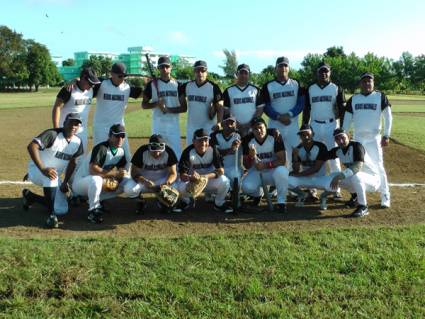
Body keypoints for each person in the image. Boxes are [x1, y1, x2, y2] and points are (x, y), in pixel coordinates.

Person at [22, 113, 84, 228]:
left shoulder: (78, 142)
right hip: (37, 170)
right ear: (65, 123)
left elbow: (73, 162)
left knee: (62, 209)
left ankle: (31, 197)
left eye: (76, 124)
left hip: (53, 175)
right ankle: (51, 216)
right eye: (71, 122)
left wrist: (65, 182)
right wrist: (42, 168)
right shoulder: (53, 134)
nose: (73, 126)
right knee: (51, 176)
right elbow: (32, 146)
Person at [342, 72, 392, 208]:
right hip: (358, 139)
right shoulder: (354, 99)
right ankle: (358, 196)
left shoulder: (380, 96)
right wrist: (344, 134)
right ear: (360, 83)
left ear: (373, 83)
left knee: (379, 166)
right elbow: (347, 119)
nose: (367, 83)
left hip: (374, 139)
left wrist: (386, 135)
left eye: (369, 81)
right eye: (364, 81)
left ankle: (385, 195)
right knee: (358, 167)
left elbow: (388, 116)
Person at [72, 124, 130, 223]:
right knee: (96, 179)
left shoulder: (120, 151)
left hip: (96, 183)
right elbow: (93, 170)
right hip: (81, 183)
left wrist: (118, 179)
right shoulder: (101, 148)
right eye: (117, 136)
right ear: (110, 136)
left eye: (122, 136)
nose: (120, 139)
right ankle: (93, 210)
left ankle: (94, 199)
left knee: (127, 183)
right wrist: (115, 174)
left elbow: (121, 169)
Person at [92, 62, 143, 166]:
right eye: (120, 76)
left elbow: (145, 93)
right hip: (101, 127)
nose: (122, 78)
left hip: (119, 129)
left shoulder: (127, 88)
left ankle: (127, 179)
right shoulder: (101, 84)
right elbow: (84, 83)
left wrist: (155, 84)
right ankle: (99, 179)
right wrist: (75, 80)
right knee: (100, 156)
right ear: (112, 74)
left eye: (124, 76)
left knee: (127, 156)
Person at [303, 62, 345, 182]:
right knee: (314, 155)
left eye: (326, 71)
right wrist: (305, 125)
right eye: (321, 71)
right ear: (317, 73)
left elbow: (342, 110)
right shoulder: (311, 88)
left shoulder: (336, 88)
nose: (324, 73)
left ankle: (336, 187)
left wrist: (342, 128)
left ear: (330, 72)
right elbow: (307, 109)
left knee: (333, 156)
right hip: (314, 125)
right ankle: (313, 188)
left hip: (331, 125)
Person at [262, 56, 305, 170]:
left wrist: (289, 114)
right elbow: (266, 106)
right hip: (275, 124)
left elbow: (301, 104)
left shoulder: (296, 84)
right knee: (275, 152)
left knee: (296, 152)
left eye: (285, 65)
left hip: (292, 124)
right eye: (280, 65)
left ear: (289, 68)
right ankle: (274, 182)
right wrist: (278, 116)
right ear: (275, 68)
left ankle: (296, 179)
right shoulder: (268, 86)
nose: (283, 68)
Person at [177, 128, 233, 213]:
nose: (203, 143)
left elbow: (221, 170)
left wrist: (205, 177)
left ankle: (219, 203)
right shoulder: (188, 152)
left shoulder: (213, 150)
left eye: (205, 140)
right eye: (199, 140)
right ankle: (185, 201)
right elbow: (182, 175)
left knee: (225, 181)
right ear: (193, 141)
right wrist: (190, 178)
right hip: (193, 182)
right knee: (180, 186)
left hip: (209, 181)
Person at [328, 128, 381, 217]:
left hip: (373, 179)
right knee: (332, 176)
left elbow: (357, 166)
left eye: (343, 137)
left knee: (355, 176)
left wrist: (340, 176)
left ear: (348, 136)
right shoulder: (338, 150)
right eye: (337, 139)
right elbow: (322, 155)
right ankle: (355, 196)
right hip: (358, 178)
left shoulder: (357, 146)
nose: (341, 141)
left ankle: (363, 206)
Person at [241, 117, 289, 213]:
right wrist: (251, 156)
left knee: (282, 172)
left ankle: (281, 202)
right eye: (255, 128)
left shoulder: (275, 136)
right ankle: (258, 195)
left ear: (266, 127)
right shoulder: (247, 140)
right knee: (246, 187)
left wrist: (267, 165)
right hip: (256, 171)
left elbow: (282, 161)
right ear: (252, 130)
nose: (259, 130)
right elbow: (247, 166)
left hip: (273, 170)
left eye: (261, 127)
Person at [124, 134, 181, 213]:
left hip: (162, 181)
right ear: (149, 147)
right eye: (154, 151)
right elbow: (133, 172)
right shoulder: (142, 151)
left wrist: (167, 183)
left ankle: (162, 202)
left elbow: (173, 173)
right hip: (144, 182)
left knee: (176, 187)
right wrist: (144, 181)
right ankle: (141, 202)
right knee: (129, 188)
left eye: (159, 151)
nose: (157, 154)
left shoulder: (169, 152)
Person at [142, 56, 186, 158]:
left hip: (173, 125)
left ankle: (177, 173)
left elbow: (184, 108)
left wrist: (168, 109)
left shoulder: (178, 85)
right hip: (158, 125)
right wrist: (156, 104)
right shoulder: (151, 85)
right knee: (157, 152)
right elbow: (144, 105)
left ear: (171, 67)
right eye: (162, 67)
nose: (164, 69)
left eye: (167, 66)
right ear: (158, 68)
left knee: (176, 153)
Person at [52, 67, 100, 152]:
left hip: (82, 131)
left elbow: (109, 80)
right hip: (65, 130)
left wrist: (76, 79)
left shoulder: (92, 89)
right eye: (90, 83)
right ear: (83, 78)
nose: (92, 85)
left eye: (93, 83)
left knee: (80, 159)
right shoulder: (69, 89)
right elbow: (57, 106)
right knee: (63, 157)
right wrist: (56, 129)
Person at [288, 124, 335, 209]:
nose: (305, 137)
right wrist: (295, 156)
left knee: (334, 185)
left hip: (320, 178)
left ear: (313, 134)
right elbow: (296, 170)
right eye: (303, 135)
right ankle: (302, 194)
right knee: (286, 180)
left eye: (308, 134)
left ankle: (323, 196)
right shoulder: (298, 148)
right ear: (300, 136)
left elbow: (316, 168)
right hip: (306, 179)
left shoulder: (321, 146)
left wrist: (299, 175)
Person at [179, 60, 223, 146]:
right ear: (194, 72)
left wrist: (219, 123)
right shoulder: (186, 86)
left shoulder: (213, 87)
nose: (200, 73)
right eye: (197, 70)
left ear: (206, 72)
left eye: (203, 70)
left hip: (208, 128)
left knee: (208, 151)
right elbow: (181, 101)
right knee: (190, 151)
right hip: (191, 127)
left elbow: (220, 108)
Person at [222, 63, 264, 137]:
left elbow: (260, 109)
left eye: (246, 73)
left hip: (252, 128)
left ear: (249, 75)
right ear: (236, 74)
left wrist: (250, 124)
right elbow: (226, 110)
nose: (243, 75)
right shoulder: (228, 91)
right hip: (234, 128)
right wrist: (236, 124)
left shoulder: (256, 90)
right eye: (241, 73)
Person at [210, 114, 243, 187]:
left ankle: (232, 192)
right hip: (219, 168)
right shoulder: (214, 135)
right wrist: (231, 149)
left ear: (236, 124)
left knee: (235, 177)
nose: (230, 126)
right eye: (227, 123)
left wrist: (273, 131)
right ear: (222, 124)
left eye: (232, 123)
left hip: (234, 169)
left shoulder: (240, 135)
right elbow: (216, 154)